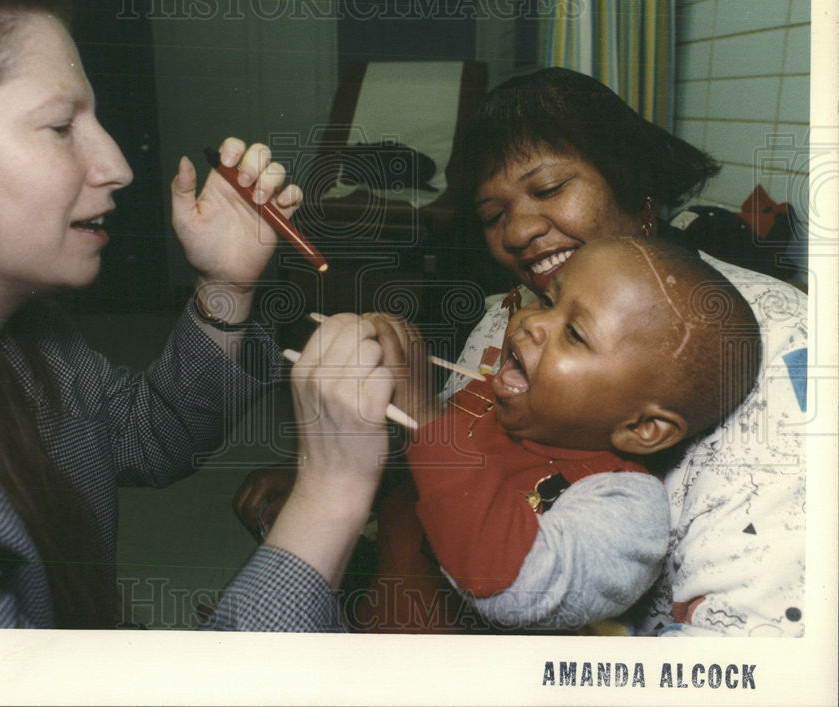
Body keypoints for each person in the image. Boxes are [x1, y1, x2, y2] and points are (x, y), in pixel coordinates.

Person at [0, 0, 394, 630]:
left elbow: (151, 431)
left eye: (97, 119)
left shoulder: (28, 331)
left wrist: (224, 283)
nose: (116, 163)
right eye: (59, 126)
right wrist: (331, 494)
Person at [235, 67, 808, 637]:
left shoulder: (779, 346)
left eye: (549, 188)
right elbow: (465, 468)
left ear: (634, 184)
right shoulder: (516, 308)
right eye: (493, 215)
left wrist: (417, 426)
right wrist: (332, 478)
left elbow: (751, 651)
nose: (517, 232)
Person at [352, 236, 761, 632]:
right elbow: (406, 484)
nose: (533, 322)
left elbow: (507, 588)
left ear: (643, 428)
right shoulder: (479, 400)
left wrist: (426, 420)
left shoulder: (622, 505)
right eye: (547, 300)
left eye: (575, 333)